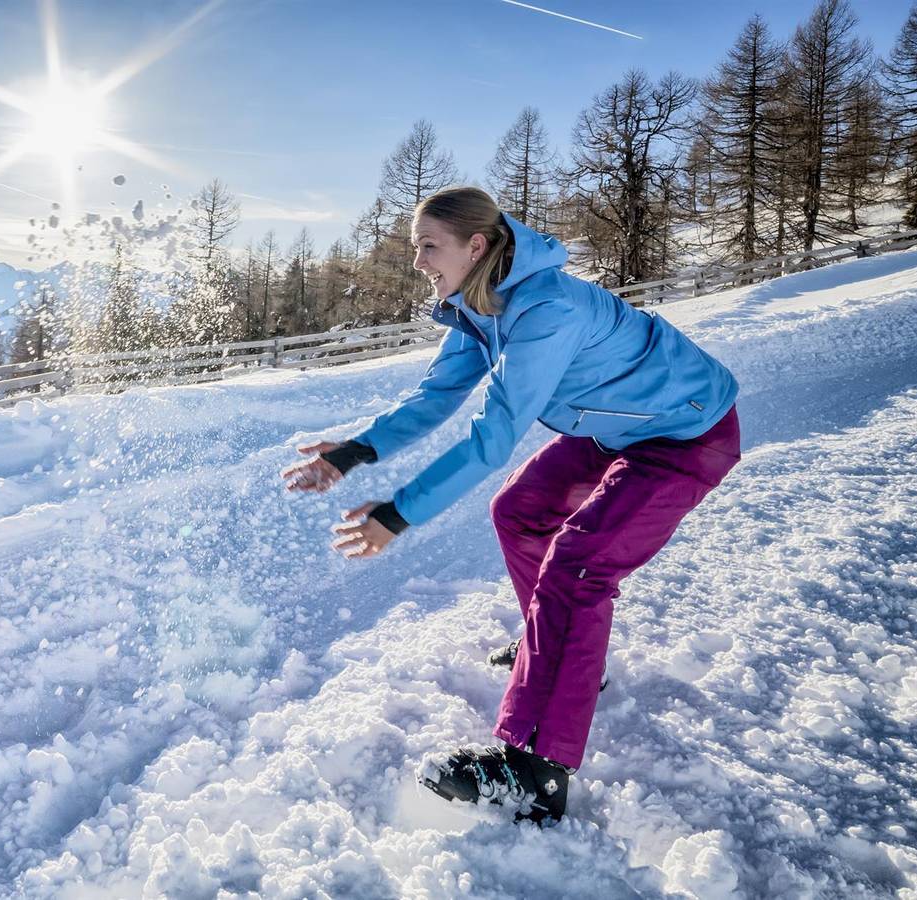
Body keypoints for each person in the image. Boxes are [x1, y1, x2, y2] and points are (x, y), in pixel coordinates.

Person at [282, 187, 740, 824]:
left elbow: (494, 435)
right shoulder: (483, 302)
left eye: (427, 246)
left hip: (686, 434)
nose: (418, 261)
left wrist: (397, 513)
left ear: (475, 246)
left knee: (577, 566)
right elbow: (436, 396)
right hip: (617, 428)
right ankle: (562, 657)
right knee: (519, 511)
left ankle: (534, 770)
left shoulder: (546, 308)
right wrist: (353, 454)